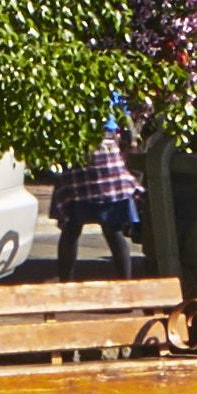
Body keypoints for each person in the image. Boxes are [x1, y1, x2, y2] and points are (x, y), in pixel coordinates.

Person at [54, 101, 143, 280]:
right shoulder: (111, 88)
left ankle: (64, 285)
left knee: (72, 226)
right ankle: (125, 288)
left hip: (78, 145)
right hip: (105, 148)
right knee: (112, 228)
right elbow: (125, 122)